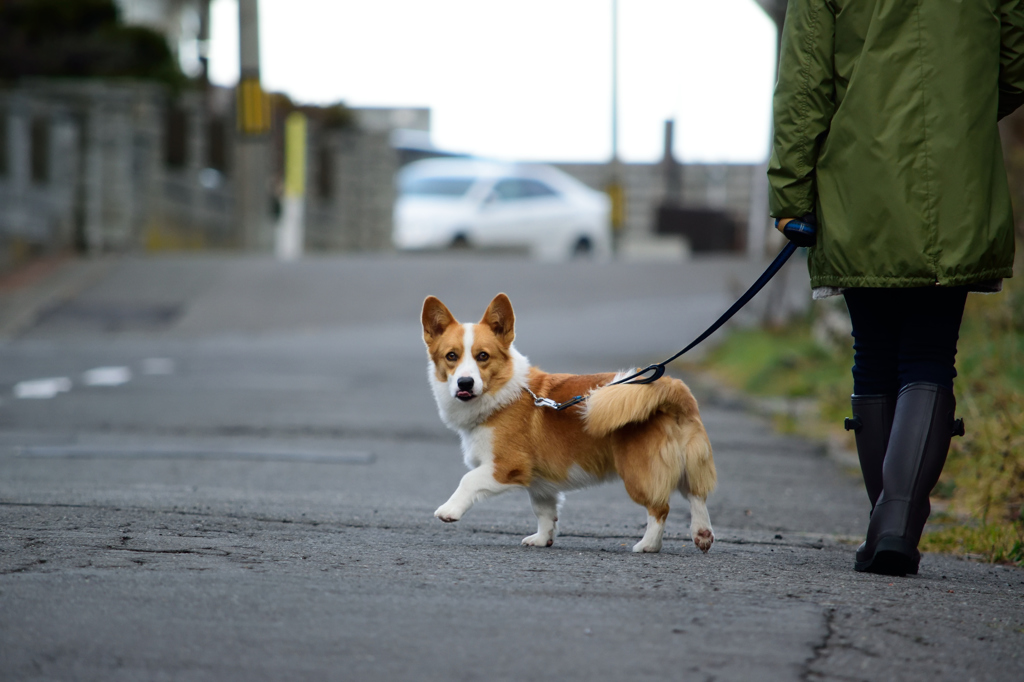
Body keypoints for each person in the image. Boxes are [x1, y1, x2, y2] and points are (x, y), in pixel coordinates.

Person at [767, 0, 1021, 576]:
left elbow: (805, 80)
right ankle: (897, 524)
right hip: (957, 176)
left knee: (874, 355)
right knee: (930, 356)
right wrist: (963, 105)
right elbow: (1016, 58)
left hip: (859, 175)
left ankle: (886, 524)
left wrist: (790, 193)